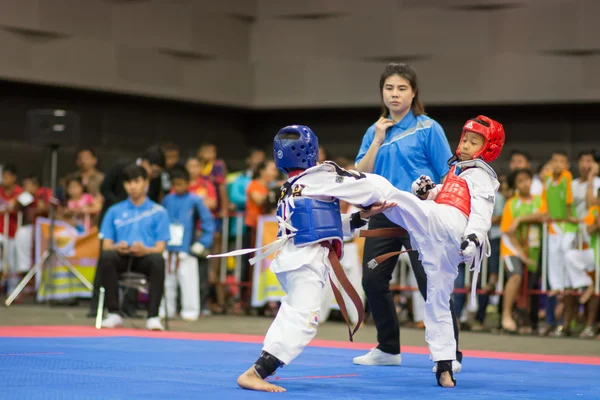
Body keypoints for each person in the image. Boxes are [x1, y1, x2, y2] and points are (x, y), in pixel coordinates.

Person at [208, 125, 395, 393]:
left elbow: (321, 224)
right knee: (305, 320)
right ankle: (256, 372)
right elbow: (367, 185)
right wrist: (396, 196)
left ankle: (259, 368)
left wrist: (360, 217)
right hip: (304, 260)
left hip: (294, 259)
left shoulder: (291, 187)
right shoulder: (319, 177)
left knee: (290, 313)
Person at [375, 115, 504, 387]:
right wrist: (427, 191)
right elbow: (445, 195)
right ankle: (444, 366)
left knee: (391, 195)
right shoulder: (458, 171)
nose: (466, 145)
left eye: (474, 142)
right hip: (440, 239)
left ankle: (351, 213)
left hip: (452, 227)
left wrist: (474, 237)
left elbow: (481, 211)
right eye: (465, 139)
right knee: (436, 301)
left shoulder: (482, 175)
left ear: (488, 148)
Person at [352, 63, 461, 372]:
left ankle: (450, 354)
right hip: (383, 214)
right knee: (372, 281)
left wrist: (445, 212)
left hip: (420, 215)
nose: (395, 94)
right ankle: (388, 348)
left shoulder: (429, 128)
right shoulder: (375, 130)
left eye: (402, 88)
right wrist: (377, 138)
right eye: (389, 89)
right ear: (382, 93)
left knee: (432, 285)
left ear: (413, 93)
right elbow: (362, 173)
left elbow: (447, 174)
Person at [97, 165, 170, 331]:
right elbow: (106, 244)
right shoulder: (114, 211)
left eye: (136, 181)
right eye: (128, 182)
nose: (132, 186)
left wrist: (146, 250)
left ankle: (153, 316)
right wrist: (118, 247)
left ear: (145, 183)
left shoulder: (159, 212)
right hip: (122, 256)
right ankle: (114, 313)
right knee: (106, 257)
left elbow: (160, 247)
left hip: (146, 257)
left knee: (158, 261)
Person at [160, 168, 215, 321]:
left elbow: (208, 221)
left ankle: (190, 311)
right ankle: (166, 309)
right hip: (169, 246)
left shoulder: (195, 200)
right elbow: (160, 222)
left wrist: (203, 243)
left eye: (181, 184)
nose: (178, 187)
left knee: (189, 282)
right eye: (175, 184)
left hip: (187, 248)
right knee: (167, 282)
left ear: (188, 183)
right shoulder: (167, 200)